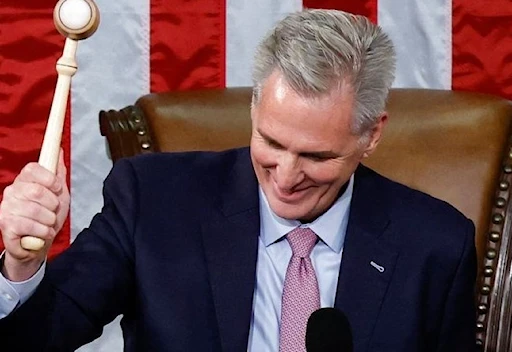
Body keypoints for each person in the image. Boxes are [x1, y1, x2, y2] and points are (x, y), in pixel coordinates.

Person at [0, 9, 476, 352]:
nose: (287, 178)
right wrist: (21, 267)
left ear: (372, 134)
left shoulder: (436, 245)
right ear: (254, 109)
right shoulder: (154, 201)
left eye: (316, 155)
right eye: (271, 143)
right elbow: (37, 336)